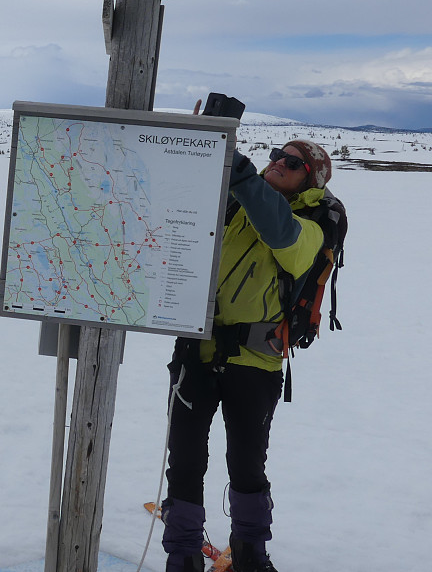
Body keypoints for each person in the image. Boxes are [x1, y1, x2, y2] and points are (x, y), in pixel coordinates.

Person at [161, 140, 333, 572]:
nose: (279, 162)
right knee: (184, 461)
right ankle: (182, 555)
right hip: (196, 352)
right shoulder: (235, 204)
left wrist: (242, 174)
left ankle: (251, 554)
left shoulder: (307, 228)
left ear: (309, 180)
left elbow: (280, 233)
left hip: (256, 363)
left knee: (246, 463)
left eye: (292, 163)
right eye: (278, 153)